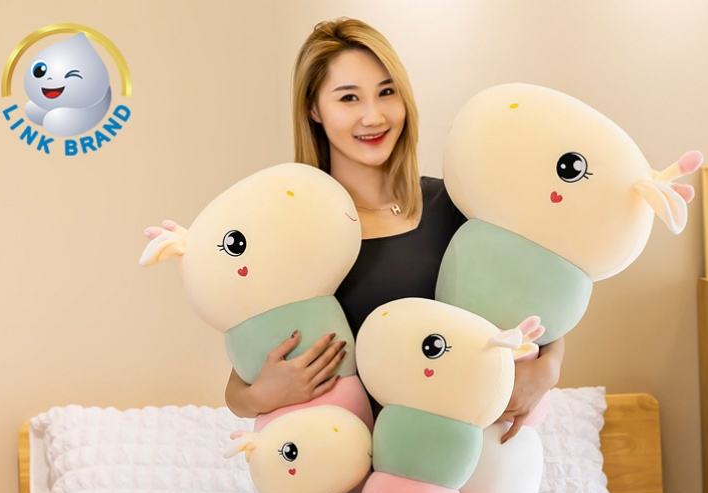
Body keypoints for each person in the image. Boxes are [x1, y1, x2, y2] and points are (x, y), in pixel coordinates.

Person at [225, 17, 564, 438]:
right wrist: (261, 395)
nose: (373, 116)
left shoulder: (457, 205)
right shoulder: (295, 232)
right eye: (348, 98)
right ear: (314, 109)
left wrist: (547, 371)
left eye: (386, 92)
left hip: (459, 455)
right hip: (347, 461)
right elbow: (237, 385)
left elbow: (540, 307)